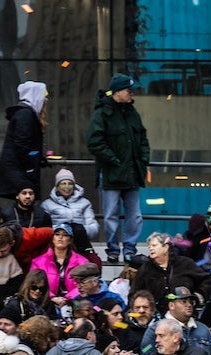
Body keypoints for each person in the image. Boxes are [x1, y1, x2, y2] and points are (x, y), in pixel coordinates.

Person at [87, 74, 150, 263]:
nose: (132, 93)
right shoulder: (102, 114)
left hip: (129, 172)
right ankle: (114, 249)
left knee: (134, 215)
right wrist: (114, 160)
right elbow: (94, 142)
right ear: (118, 92)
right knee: (111, 215)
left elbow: (143, 138)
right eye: (128, 90)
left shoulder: (131, 113)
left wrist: (143, 159)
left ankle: (128, 248)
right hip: (112, 173)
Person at [0, 81, 49, 202]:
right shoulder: (25, 115)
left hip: (19, 169)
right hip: (20, 171)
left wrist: (38, 158)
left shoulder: (24, 114)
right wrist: (30, 167)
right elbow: (22, 144)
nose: (45, 99)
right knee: (26, 204)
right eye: (44, 95)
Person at [134, 232, 211, 309]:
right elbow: (134, 293)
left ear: (166, 247)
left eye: (154, 245)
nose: (151, 248)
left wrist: (197, 296)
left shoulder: (185, 264)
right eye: (149, 246)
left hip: (184, 315)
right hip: (156, 317)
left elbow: (207, 280)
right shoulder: (145, 269)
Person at [29, 224, 95, 306]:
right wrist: (52, 298)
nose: (60, 237)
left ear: (70, 240)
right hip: (46, 302)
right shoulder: (38, 262)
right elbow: (33, 284)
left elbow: (86, 285)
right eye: (57, 234)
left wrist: (67, 299)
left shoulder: (82, 261)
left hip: (75, 302)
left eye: (65, 235)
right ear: (52, 239)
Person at [42, 170, 100, 251]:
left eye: (70, 184)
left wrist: (78, 230)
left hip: (80, 241)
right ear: (57, 187)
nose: (67, 187)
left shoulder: (85, 203)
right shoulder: (47, 204)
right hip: (56, 244)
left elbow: (93, 227)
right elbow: (44, 229)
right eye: (63, 184)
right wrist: (63, 230)